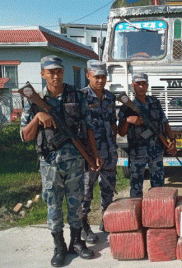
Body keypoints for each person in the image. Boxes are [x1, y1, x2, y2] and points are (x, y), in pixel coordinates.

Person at [20, 55, 99, 267]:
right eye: (51, 71)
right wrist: (37, 118)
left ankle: (76, 242)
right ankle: (59, 246)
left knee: (76, 204)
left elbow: (88, 127)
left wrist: (94, 155)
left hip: (75, 161)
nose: (56, 75)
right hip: (49, 164)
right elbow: (25, 136)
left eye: (59, 71)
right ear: (42, 74)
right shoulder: (35, 101)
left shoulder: (77, 95)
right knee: (53, 206)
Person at [118, 72, 177, 198]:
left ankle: (156, 212)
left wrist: (172, 140)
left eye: (144, 84)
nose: (141, 87)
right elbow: (121, 132)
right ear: (132, 86)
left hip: (156, 150)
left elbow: (164, 122)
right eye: (138, 84)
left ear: (147, 85)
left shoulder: (155, 102)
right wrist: (128, 120)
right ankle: (136, 213)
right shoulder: (127, 107)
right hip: (137, 151)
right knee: (136, 187)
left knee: (158, 188)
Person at [80, 60, 118, 242]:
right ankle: (83, 226)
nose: (100, 80)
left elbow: (113, 122)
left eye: (103, 77)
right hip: (90, 155)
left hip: (109, 151)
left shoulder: (110, 97)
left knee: (108, 189)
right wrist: (90, 155)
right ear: (88, 75)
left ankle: (107, 220)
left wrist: (114, 145)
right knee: (86, 190)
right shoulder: (80, 97)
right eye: (96, 77)